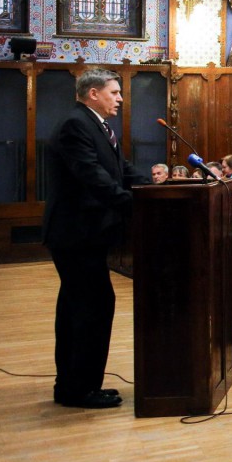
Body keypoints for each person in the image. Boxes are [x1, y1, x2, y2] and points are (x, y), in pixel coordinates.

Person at [42, 69, 148, 409]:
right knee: (89, 308)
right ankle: (78, 389)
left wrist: (154, 189)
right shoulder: (76, 125)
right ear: (93, 94)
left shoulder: (96, 125)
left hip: (87, 235)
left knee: (81, 307)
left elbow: (121, 169)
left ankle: (76, 384)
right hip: (77, 234)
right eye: (114, 92)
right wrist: (133, 204)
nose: (120, 98)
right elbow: (92, 176)